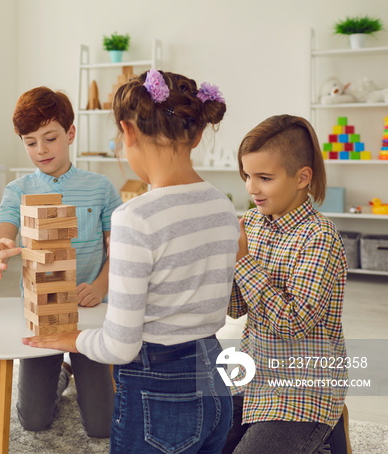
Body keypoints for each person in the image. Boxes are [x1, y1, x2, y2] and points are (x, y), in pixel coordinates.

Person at [24, 70, 238, 453]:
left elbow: (120, 346)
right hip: (217, 380)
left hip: (159, 390)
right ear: (199, 133)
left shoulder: (135, 217)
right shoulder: (222, 204)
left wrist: (71, 339)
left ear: (128, 132)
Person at [0, 86, 121, 437]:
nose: (40, 150)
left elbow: (120, 248)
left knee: (104, 425)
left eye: (50, 138)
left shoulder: (101, 188)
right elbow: (2, 234)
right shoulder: (18, 190)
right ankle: (61, 373)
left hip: (90, 314)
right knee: (33, 420)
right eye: (30, 142)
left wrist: (102, 285)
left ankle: (87, 371)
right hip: (43, 316)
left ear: (70, 134)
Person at [222, 115, 348, 454]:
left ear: (302, 177)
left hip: (303, 387)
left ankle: (321, 439)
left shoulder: (320, 238)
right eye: (247, 176)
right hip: (253, 374)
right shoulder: (251, 223)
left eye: (264, 178)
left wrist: (243, 261)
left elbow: (293, 324)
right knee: (198, 439)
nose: (251, 188)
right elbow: (235, 308)